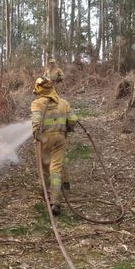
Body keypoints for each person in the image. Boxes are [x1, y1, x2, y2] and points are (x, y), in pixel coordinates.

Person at [30, 76, 78, 215]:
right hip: (60, 139)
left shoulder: (37, 103)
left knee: (45, 168)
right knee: (56, 169)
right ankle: (55, 200)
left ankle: (46, 193)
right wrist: (68, 127)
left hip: (44, 140)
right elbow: (73, 120)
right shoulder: (63, 103)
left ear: (39, 89)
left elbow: (36, 123)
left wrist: (36, 134)